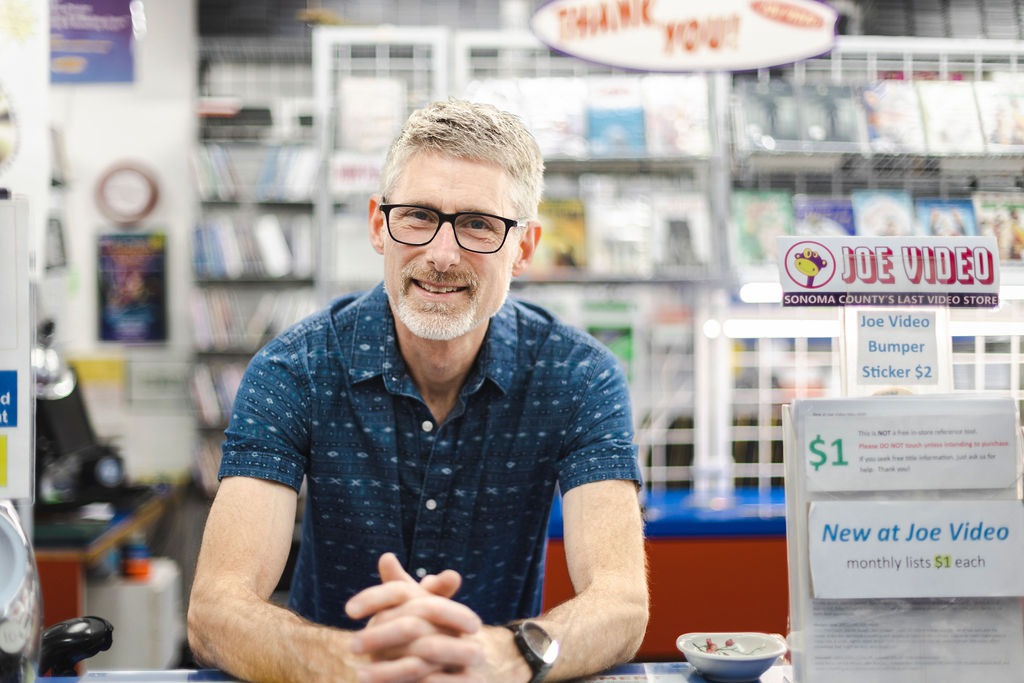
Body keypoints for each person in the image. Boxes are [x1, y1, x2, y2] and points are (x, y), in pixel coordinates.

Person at [187, 99, 649, 682]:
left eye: (479, 224)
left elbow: (621, 604)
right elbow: (214, 610)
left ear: (524, 248)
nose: (441, 255)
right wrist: (348, 663)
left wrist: (503, 657)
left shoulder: (580, 376)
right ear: (379, 225)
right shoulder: (293, 370)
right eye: (418, 216)